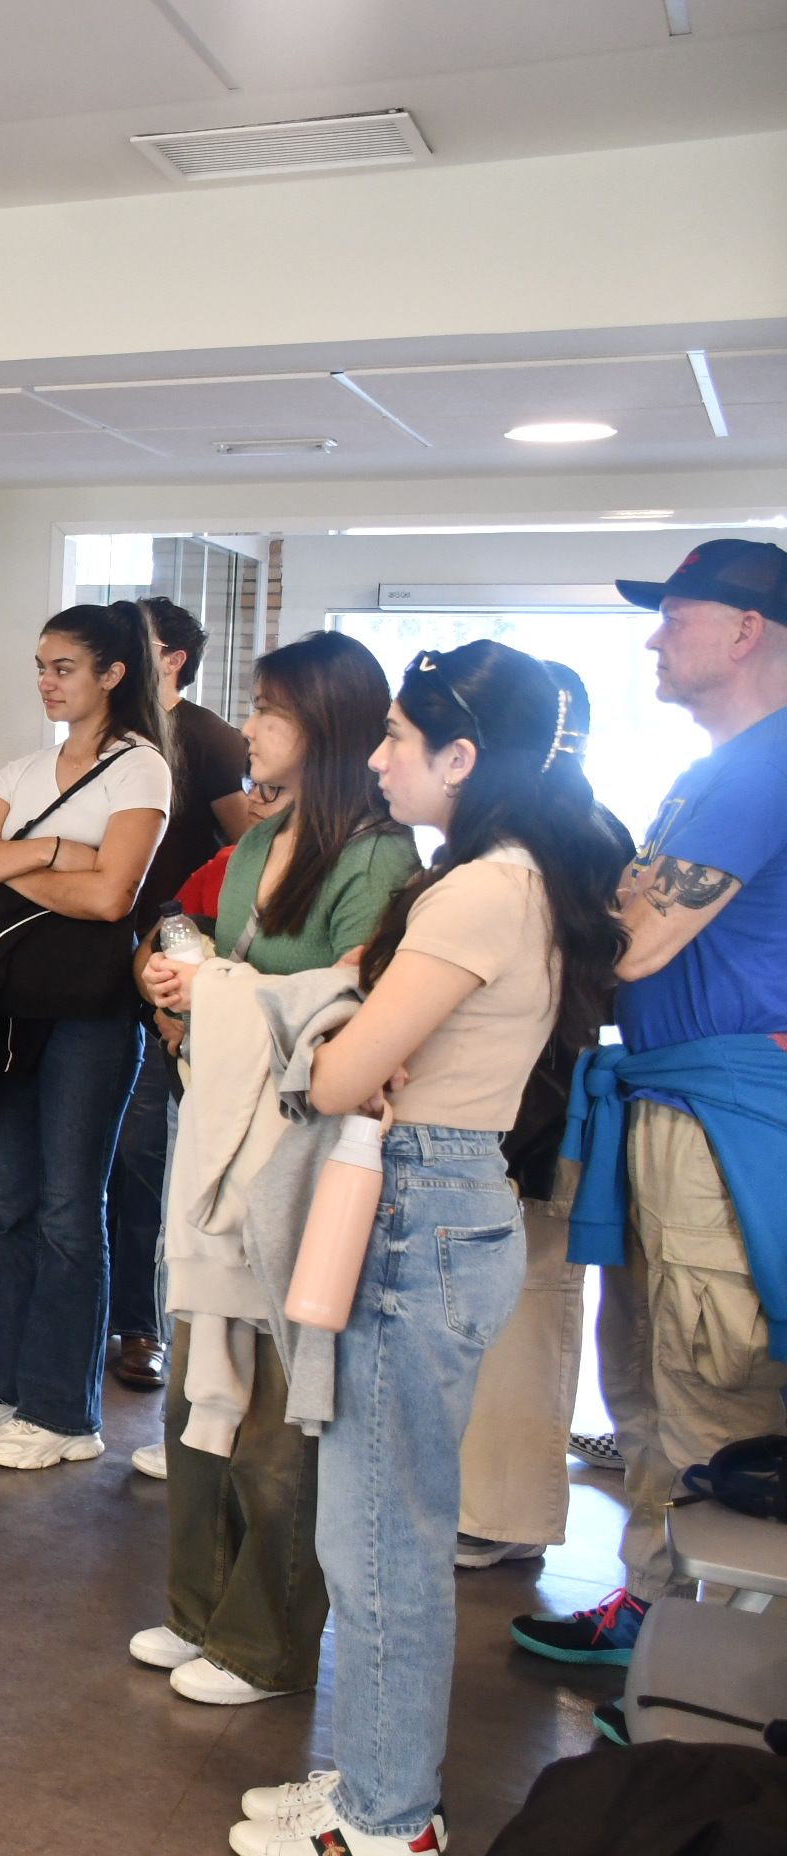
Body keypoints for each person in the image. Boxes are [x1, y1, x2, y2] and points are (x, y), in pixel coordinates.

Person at [229, 640, 622, 1856]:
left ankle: (388, 1816)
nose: (382, 754)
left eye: (401, 736)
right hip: (435, 1196)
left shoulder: (477, 888)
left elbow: (340, 1068)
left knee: (381, 1537)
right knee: (378, 1523)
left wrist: (331, 1039)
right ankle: (371, 1779)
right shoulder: (513, 875)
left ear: (464, 756)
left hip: (419, 1200)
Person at [128, 630, 418, 1708]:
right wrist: (175, 970)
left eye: (272, 710)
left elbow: (351, 1000)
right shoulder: (265, 833)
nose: (250, 726)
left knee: (279, 1421)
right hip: (222, 1138)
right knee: (201, 1396)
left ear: (328, 725)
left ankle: (262, 1640)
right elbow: (206, 942)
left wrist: (219, 988)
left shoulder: (378, 855)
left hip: (301, 1154)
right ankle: (196, 1608)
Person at [512, 539, 787, 1674]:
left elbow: (633, 936)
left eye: (676, 616)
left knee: (708, 1382)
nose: (654, 639)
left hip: (720, 1112)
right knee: (646, 1376)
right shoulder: (718, 767)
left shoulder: (761, 768)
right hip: (668, 1094)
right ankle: (656, 1612)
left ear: (748, 630)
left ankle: (709, 1669)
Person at [0, 602, 167, 1470]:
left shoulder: (140, 771)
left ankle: (65, 1411)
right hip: (10, 1011)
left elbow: (113, 901)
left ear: (113, 674)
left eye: (64, 666)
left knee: (72, 1209)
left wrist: (17, 859)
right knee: (13, 1207)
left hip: (89, 1018)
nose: (47, 681)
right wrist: (58, 854)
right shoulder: (23, 767)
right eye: (41, 664)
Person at [454, 662, 633, 1575]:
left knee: (529, 1306)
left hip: (547, 1104)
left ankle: (506, 1509)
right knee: (498, 1308)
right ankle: (483, 1500)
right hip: (509, 1105)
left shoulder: (573, 835)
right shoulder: (523, 833)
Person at [108, 597, 253, 1394]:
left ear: (173, 659)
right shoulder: (104, 745)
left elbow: (245, 855)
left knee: (144, 1159)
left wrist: (190, 969)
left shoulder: (211, 741)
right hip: (101, 965)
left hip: (172, 974)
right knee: (96, 1161)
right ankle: (104, 1308)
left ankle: (142, 1323)